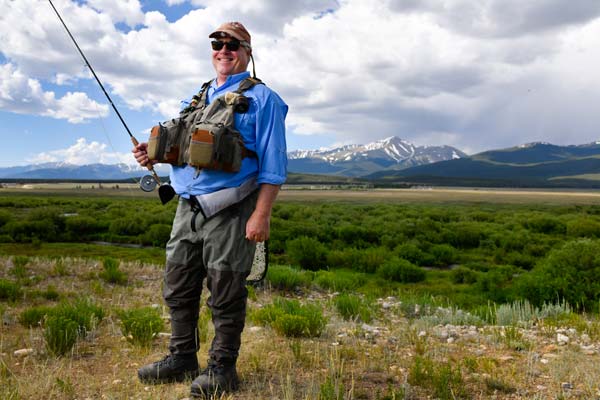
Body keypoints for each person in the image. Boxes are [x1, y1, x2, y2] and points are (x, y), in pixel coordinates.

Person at [132, 21, 287, 397]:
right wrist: (152, 155)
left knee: (226, 290)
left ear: (248, 53)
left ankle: (222, 369)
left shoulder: (264, 100)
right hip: (186, 208)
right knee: (178, 285)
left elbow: (273, 164)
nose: (224, 49)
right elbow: (188, 151)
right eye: (217, 43)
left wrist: (261, 214)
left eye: (233, 45)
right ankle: (181, 357)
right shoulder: (198, 97)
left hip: (232, 210)